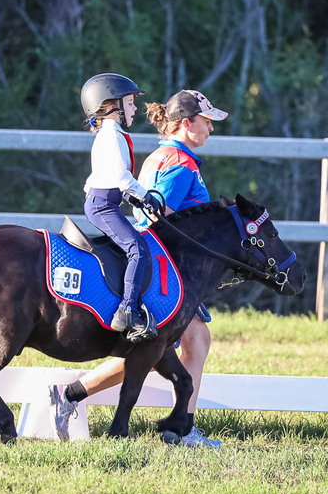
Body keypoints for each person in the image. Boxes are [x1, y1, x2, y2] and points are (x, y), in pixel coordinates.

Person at [49, 89, 228, 448]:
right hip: (167, 266)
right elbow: (159, 215)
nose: (211, 128)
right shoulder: (182, 165)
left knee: (175, 343)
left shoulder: (160, 156)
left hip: (159, 261)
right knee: (176, 344)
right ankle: (182, 428)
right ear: (186, 123)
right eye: (206, 121)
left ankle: (70, 395)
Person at [79, 73, 162, 342]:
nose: (135, 108)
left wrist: (132, 197)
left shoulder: (112, 134)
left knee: (134, 247)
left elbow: (110, 178)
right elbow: (121, 176)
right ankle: (126, 311)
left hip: (105, 202)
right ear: (111, 105)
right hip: (103, 206)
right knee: (138, 249)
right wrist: (144, 196)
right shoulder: (112, 136)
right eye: (130, 102)